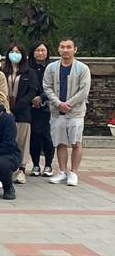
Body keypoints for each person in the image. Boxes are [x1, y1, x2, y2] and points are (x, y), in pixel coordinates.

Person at [43, 37, 91, 186]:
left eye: (69, 47)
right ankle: (62, 171)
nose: (65, 50)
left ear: (75, 49)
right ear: (58, 49)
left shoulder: (82, 68)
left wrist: (68, 104)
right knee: (60, 142)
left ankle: (74, 172)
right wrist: (58, 103)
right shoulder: (51, 68)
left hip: (75, 112)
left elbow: (84, 90)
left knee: (76, 142)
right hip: (57, 112)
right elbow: (47, 87)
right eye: (62, 47)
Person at [1, 43, 38, 184]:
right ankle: (8, 167)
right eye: (12, 51)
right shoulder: (3, 71)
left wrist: (17, 107)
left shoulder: (29, 72)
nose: (14, 54)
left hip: (23, 112)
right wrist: (6, 107)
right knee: (7, 140)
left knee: (22, 141)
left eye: (18, 52)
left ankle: (21, 169)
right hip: (5, 111)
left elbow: (31, 92)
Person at [28, 42, 54, 177]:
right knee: (34, 138)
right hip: (31, 108)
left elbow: (55, 86)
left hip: (48, 108)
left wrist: (42, 97)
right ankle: (36, 164)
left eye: (43, 50)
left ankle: (48, 165)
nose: (40, 53)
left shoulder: (52, 68)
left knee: (48, 138)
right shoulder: (27, 68)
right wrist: (32, 98)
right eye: (37, 50)